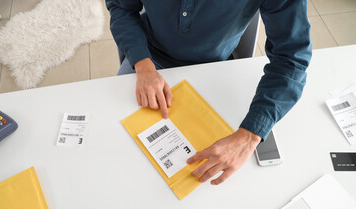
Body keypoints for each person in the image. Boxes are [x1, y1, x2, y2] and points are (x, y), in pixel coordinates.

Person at [106, 0, 312, 185]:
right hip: (148, 59)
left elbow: (292, 59)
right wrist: (143, 66)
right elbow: (121, 8)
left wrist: (250, 135)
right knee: (116, 152)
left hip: (216, 67)